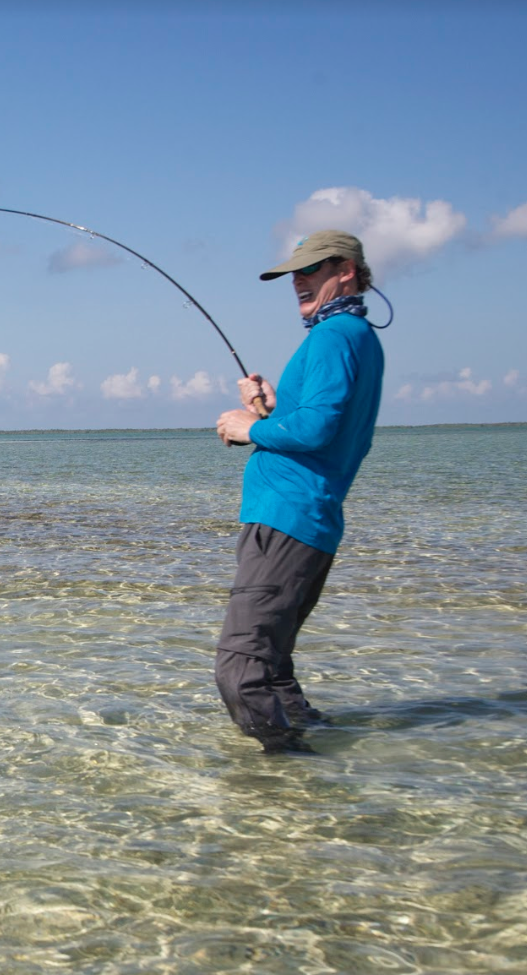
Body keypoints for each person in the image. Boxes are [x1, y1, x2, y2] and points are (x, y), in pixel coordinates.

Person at [213, 230, 384, 753]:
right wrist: (270, 407)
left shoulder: (334, 336)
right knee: (275, 666)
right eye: (295, 273)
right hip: (307, 518)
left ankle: (290, 774)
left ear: (347, 270)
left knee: (240, 671)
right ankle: (319, 761)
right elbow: (316, 428)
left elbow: (315, 432)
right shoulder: (354, 336)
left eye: (312, 270)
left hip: (288, 518)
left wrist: (250, 427)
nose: (299, 281)